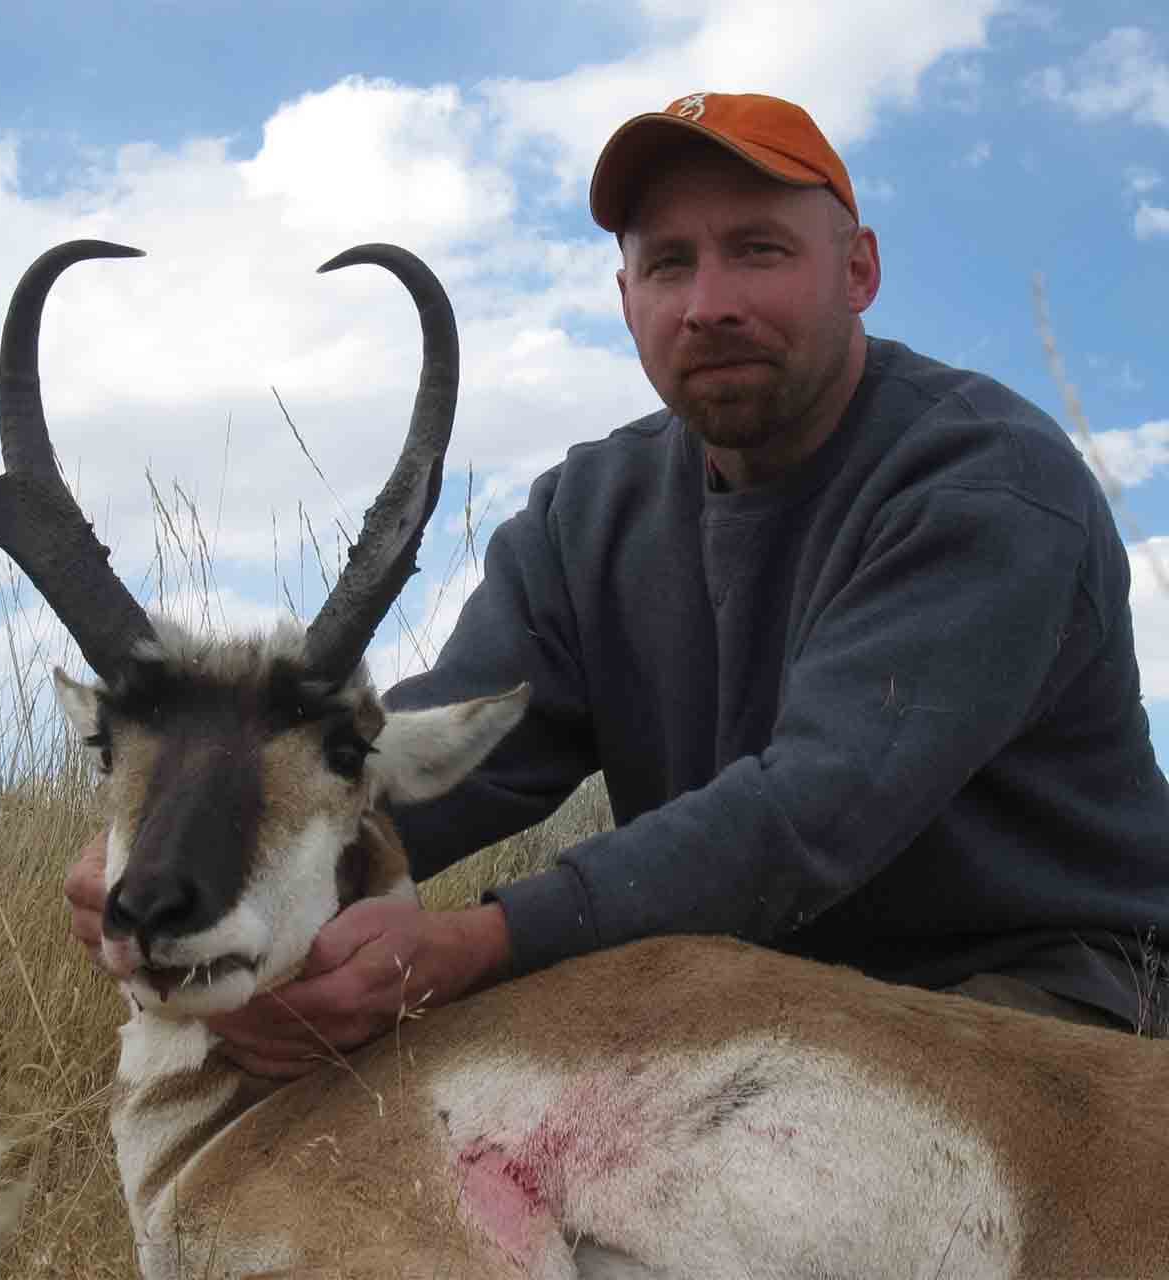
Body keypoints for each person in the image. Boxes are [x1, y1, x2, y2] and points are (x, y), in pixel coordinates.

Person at [67, 92, 1169, 1073]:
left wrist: (473, 942)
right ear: (626, 293)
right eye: (668, 263)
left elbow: (812, 809)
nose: (708, 303)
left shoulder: (985, 481)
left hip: (1048, 991)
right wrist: (177, 839)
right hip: (740, 987)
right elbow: (431, 766)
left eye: (758, 251)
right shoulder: (584, 512)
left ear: (859, 269)